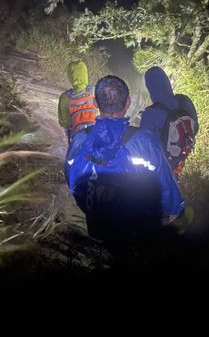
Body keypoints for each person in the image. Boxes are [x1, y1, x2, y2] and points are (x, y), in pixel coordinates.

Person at [65, 75, 185, 243]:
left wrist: (90, 205)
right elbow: (166, 187)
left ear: (95, 103)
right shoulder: (143, 141)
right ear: (128, 102)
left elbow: (71, 179)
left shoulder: (80, 139)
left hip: (97, 225)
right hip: (135, 230)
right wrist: (176, 210)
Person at [140, 66, 199, 177]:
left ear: (149, 87)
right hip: (183, 157)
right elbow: (195, 127)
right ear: (166, 81)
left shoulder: (150, 113)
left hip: (164, 169)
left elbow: (144, 147)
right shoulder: (184, 101)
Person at [58, 60, 98, 142]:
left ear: (70, 76)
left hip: (77, 137)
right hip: (96, 134)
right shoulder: (95, 91)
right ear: (85, 74)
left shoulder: (65, 97)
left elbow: (64, 122)